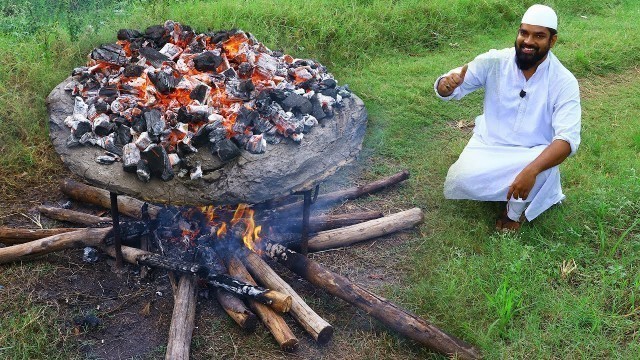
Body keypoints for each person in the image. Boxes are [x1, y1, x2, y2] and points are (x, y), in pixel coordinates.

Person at [434, 4, 581, 231]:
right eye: (524, 33)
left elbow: (566, 140)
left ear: (552, 41)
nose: (529, 41)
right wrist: (446, 85)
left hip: (532, 153)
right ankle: (518, 187)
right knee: (461, 179)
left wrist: (531, 170)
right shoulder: (495, 61)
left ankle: (512, 213)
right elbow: (455, 81)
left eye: (539, 36)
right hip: (490, 146)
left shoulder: (564, 81)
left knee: (546, 166)